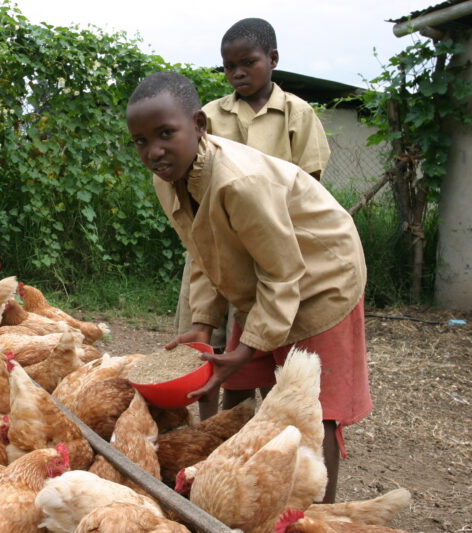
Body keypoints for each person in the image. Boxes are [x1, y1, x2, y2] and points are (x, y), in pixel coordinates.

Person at [125, 71, 371, 503]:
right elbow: (205, 253)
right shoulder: (167, 179)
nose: (154, 151)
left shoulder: (239, 181)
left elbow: (284, 272)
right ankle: (231, 498)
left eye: (165, 134)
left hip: (321, 275)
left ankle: (318, 516)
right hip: (267, 279)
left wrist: (245, 347)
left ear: (199, 125)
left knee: (313, 408)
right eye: (141, 141)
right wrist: (203, 323)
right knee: (238, 385)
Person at [173, 17, 331, 419]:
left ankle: (258, 431)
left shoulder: (298, 114)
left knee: (260, 347)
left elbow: (308, 187)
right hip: (212, 247)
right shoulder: (207, 116)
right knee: (200, 346)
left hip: (269, 252)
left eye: (248, 62)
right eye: (229, 66)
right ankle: (207, 437)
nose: (238, 73)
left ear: (273, 59)